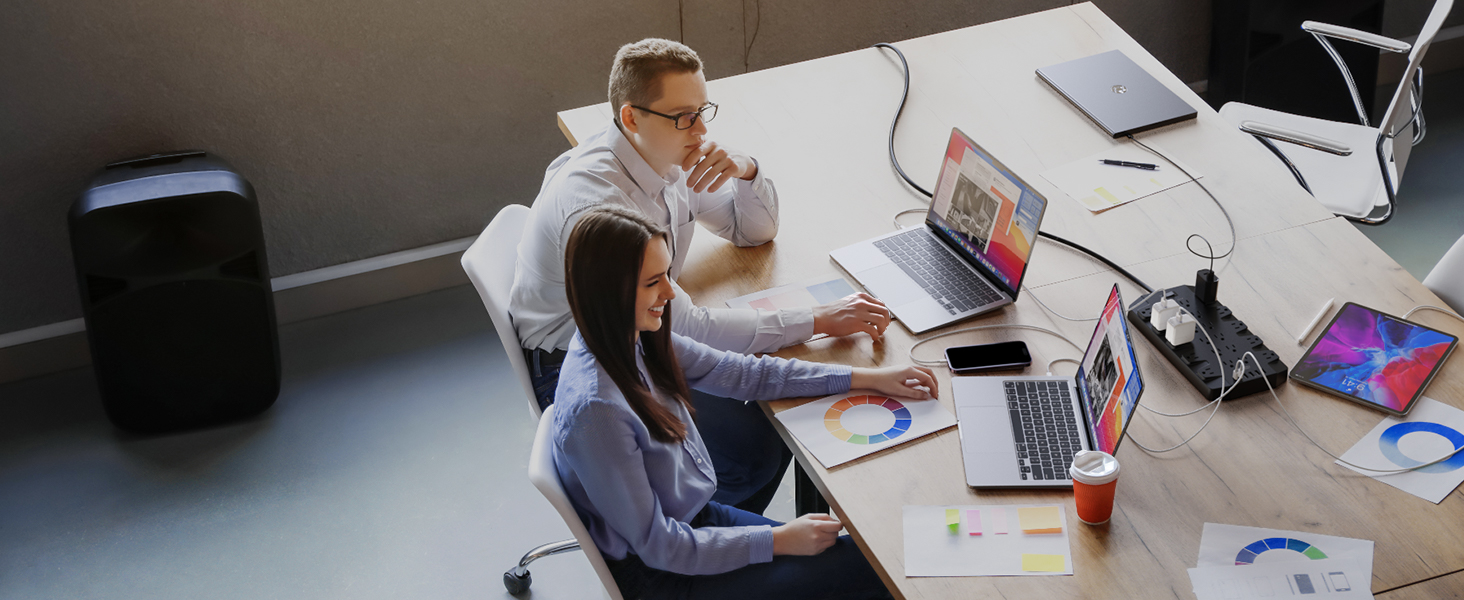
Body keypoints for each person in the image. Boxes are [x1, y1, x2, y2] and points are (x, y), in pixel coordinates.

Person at [510, 38, 890, 514]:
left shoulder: (661, 155)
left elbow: (751, 232)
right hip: (578, 365)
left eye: (703, 111)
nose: (702, 130)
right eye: (683, 116)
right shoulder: (600, 204)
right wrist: (818, 318)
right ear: (631, 117)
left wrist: (747, 171)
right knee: (755, 448)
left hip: (637, 335)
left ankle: (722, 527)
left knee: (771, 424)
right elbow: (685, 325)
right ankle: (686, 530)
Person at [553, 206, 930, 599]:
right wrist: (780, 540)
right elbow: (661, 547)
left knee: (861, 559)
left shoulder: (632, 336)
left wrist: (867, 379)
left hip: (697, 519)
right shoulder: (597, 412)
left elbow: (746, 374)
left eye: (667, 275)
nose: (670, 292)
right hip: (665, 573)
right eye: (653, 282)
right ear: (610, 292)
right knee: (874, 570)